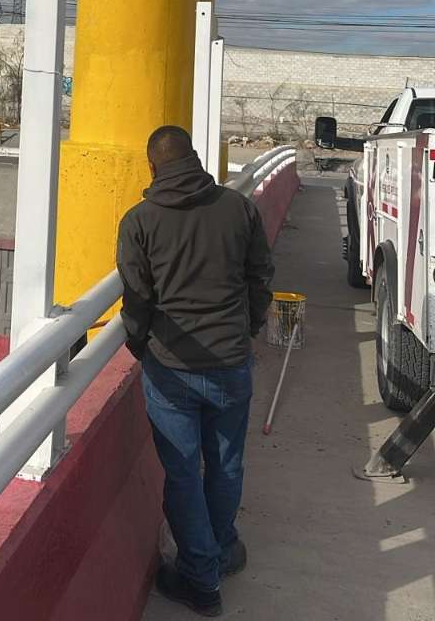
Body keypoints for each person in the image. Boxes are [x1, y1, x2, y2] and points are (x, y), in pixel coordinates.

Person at [116, 125, 274, 618]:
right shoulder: (238, 208)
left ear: (152, 167)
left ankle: (201, 579)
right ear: (196, 159)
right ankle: (221, 549)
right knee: (226, 464)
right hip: (231, 363)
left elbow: (137, 300)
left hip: (172, 369)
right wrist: (248, 326)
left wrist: (141, 346)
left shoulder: (139, 221)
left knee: (183, 473)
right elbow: (259, 277)